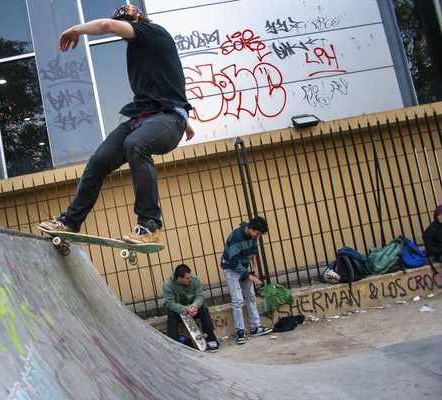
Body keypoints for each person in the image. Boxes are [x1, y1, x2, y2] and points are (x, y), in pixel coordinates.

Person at [39, 5, 194, 243]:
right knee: (99, 161)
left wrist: (76, 30)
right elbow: (169, 82)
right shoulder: (142, 49)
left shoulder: (151, 31)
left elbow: (108, 25)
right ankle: (70, 222)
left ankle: (149, 224)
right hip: (145, 117)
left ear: (135, 20)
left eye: (125, 26)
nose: (121, 36)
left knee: (136, 144)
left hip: (168, 117)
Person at [221, 216, 273, 345]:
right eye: (257, 233)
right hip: (231, 267)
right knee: (238, 300)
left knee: (251, 296)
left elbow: (254, 251)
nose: (258, 236)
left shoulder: (253, 237)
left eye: (260, 234)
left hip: (244, 267)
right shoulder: (235, 237)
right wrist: (246, 274)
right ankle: (240, 331)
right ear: (250, 228)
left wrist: (253, 268)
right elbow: (232, 259)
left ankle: (256, 327)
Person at [163, 264, 219, 352]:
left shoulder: (195, 280)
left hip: (193, 310)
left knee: (203, 309)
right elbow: (170, 303)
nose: (190, 279)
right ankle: (177, 342)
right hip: (179, 311)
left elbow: (200, 296)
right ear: (179, 279)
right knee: (171, 314)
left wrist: (194, 306)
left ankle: (211, 339)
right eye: (187, 278)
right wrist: (185, 308)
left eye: (190, 276)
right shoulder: (168, 284)